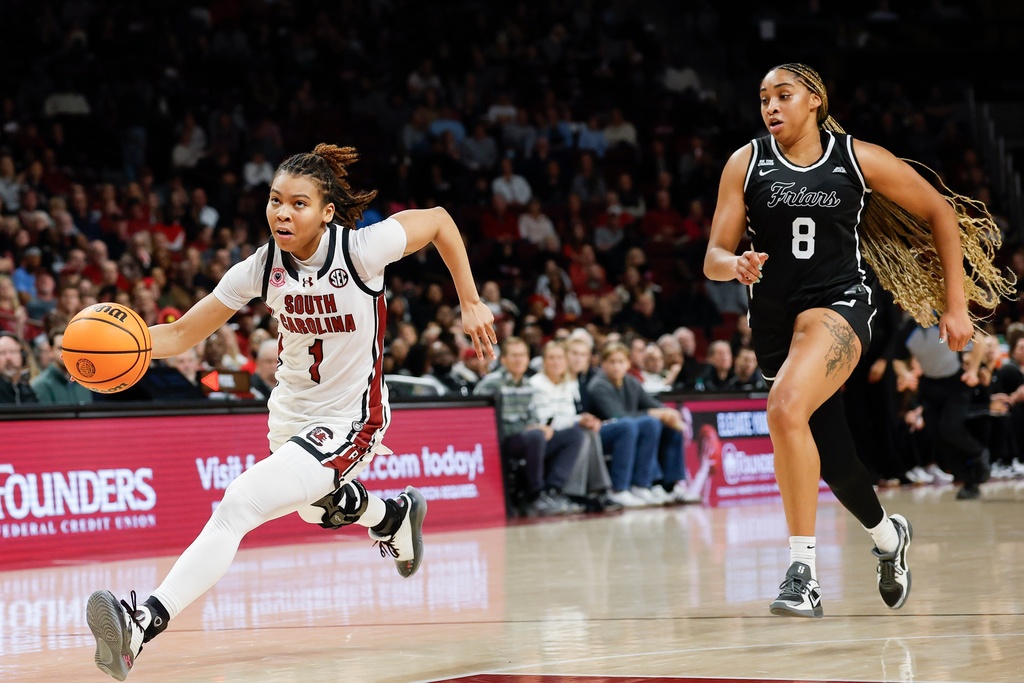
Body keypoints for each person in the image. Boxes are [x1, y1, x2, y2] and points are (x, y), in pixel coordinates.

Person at [86, 142, 497, 681]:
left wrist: (468, 299)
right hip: (289, 414)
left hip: (352, 416)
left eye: (298, 203)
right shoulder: (261, 267)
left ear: (327, 211)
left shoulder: (363, 250)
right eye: (276, 200)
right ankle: (393, 517)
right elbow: (183, 333)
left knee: (239, 503)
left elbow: (440, 221)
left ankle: (140, 624)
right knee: (315, 508)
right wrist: (115, 346)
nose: (282, 212)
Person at [703, 63, 1012, 618]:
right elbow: (712, 257)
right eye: (763, 98)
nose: (771, 106)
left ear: (815, 99)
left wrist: (957, 304)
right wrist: (737, 265)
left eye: (784, 95)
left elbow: (940, 211)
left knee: (783, 408)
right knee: (834, 457)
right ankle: (889, 536)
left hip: (839, 307)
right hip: (774, 321)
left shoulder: (855, 157)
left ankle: (803, 574)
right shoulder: (744, 163)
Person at [473, 336, 585, 517]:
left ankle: (553, 491)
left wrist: (542, 427)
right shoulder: (491, 384)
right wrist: (531, 429)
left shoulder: (527, 384)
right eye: (514, 355)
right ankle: (535, 495)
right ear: (504, 360)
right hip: (500, 443)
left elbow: (532, 419)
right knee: (535, 436)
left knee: (574, 434)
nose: (519, 360)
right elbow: (482, 423)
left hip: (528, 440)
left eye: (523, 355)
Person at [30, 327, 93, 404]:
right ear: (50, 351)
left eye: (70, 348)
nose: (66, 353)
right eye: (60, 348)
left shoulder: (84, 381)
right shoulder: (40, 385)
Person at [0, 331, 39, 405]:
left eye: (13, 352)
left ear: (23, 356)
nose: (8, 357)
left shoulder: (26, 389)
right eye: (2, 353)